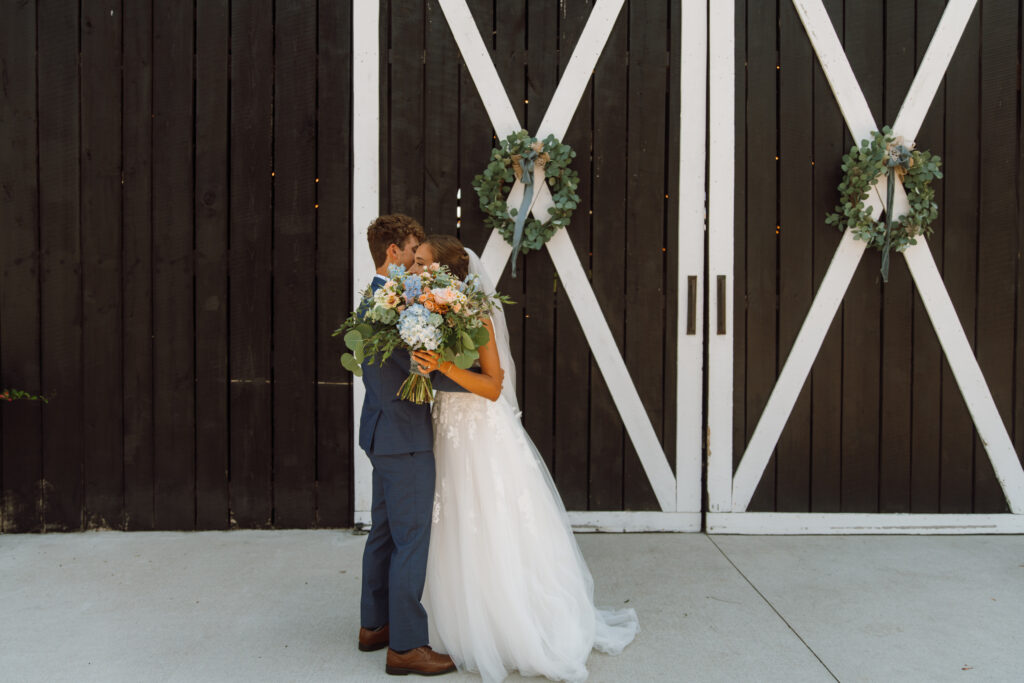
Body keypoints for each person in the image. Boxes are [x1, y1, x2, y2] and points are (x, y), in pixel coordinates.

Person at [410, 234, 639, 683]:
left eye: (421, 264)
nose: (413, 270)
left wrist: (441, 366)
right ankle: (454, 618)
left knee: (491, 521)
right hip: (446, 428)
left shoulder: (473, 313)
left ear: (445, 273)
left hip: (479, 432)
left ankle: (508, 624)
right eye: (413, 263)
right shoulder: (427, 313)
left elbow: (493, 386)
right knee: (453, 520)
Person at [357, 215, 486, 677]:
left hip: (379, 431)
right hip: (404, 437)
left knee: (385, 534)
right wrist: (479, 384)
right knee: (412, 541)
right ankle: (407, 647)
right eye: (413, 250)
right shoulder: (392, 305)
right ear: (394, 251)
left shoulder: (372, 299)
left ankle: (375, 626)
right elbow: (422, 368)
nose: (416, 260)